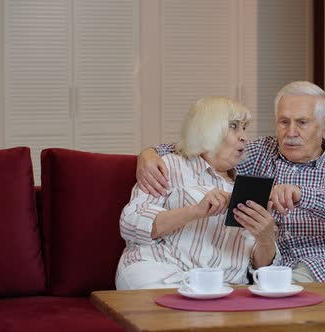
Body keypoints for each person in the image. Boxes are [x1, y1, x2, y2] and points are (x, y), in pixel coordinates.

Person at [136, 81, 325, 283]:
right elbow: (201, 146)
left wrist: (304, 195)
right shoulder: (258, 152)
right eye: (284, 122)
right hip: (283, 271)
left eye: (302, 123)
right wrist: (148, 154)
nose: (291, 132)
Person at [116, 96, 278, 290]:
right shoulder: (170, 166)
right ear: (207, 129)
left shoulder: (246, 188)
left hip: (219, 286)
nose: (244, 136)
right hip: (159, 272)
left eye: (245, 128)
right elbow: (130, 224)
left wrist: (266, 237)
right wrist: (195, 211)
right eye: (234, 126)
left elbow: (259, 267)